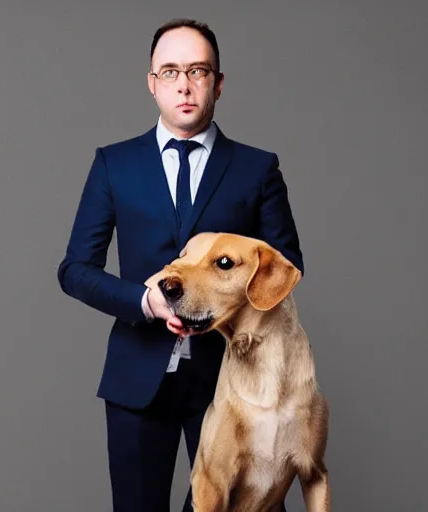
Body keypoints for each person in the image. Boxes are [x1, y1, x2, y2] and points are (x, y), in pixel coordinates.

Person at [57, 18, 304, 512]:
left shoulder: (256, 168)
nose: (185, 85)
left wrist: (220, 308)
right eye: (170, 72)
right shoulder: (115, 164)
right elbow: (75, 269)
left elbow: (286, 264)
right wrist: (143, 301)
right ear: (152, 83)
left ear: (218, 82)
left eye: (198, 71)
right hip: (137, 379)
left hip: (235, 384)